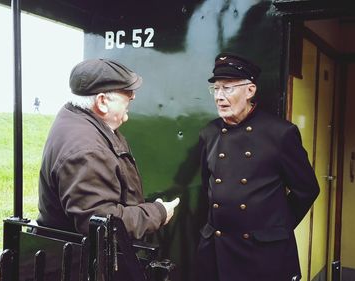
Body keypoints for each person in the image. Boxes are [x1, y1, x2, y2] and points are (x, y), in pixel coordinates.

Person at [195, 53, 320, 281]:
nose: (219, 97)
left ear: (250, 90)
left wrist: (273, 229)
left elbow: (307, 189)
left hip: (261, 254)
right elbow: (208, 185)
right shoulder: (210, 133)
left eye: (227, 88)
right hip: (217, 248)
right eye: (216, 89)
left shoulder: (280, 133)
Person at [37, 58, 180, 240]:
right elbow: (100, 224)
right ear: (102, 101)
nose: (133, 96)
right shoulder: (87, 151)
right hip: (81, 264)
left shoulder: (73, 118)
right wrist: (157, 213)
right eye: (126, 93)